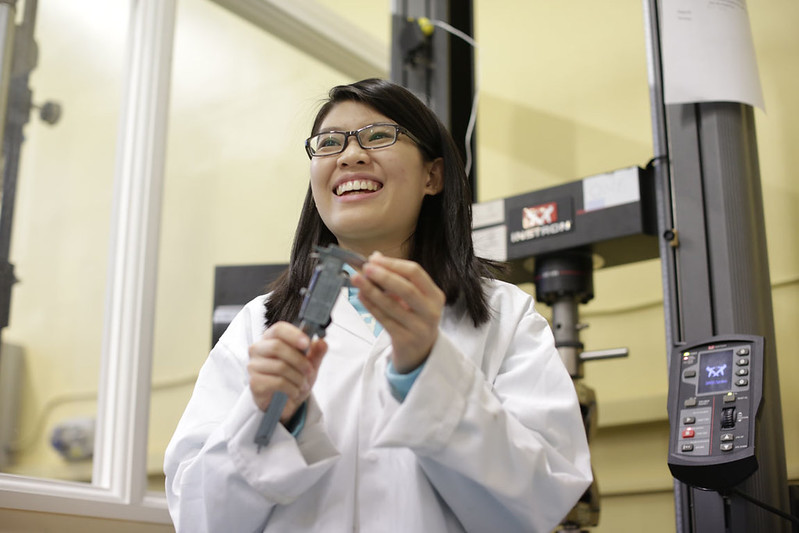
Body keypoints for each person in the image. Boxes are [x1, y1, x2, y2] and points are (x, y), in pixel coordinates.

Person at [164, 78, 592, 532]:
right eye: (329, 143)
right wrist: (270, 419)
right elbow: (199, 517)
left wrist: (427, 370)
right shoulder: (260, 324)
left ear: (433, 175)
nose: (350, 155)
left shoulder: (504, 316)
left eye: (378, 136)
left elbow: (543, 498)